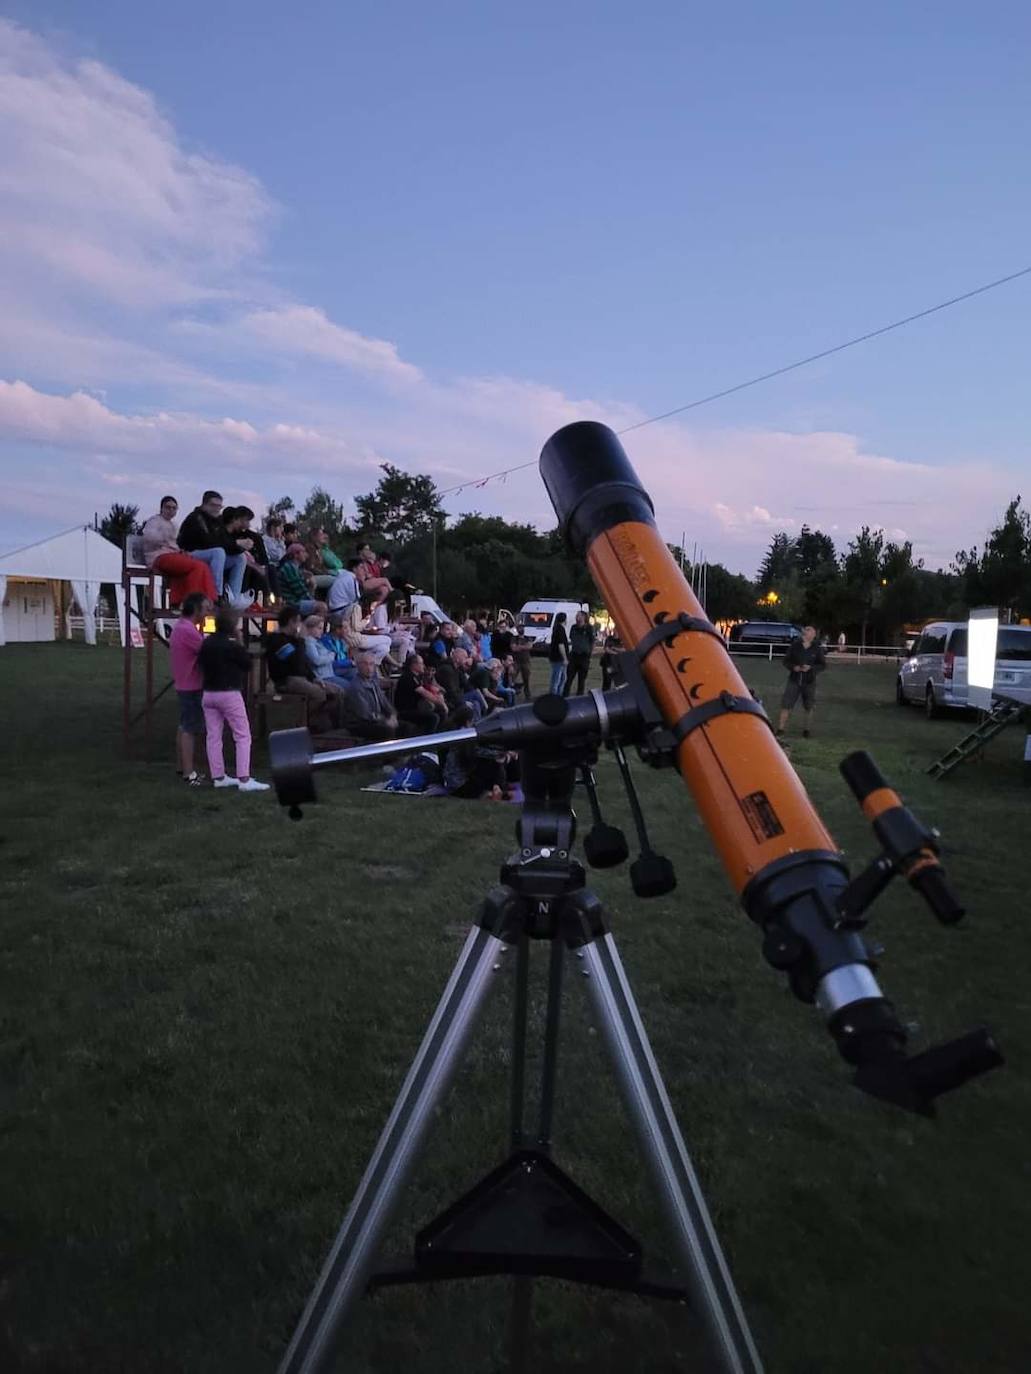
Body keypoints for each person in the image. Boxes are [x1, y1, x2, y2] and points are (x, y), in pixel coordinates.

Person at [197, 607, 269, 791]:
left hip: (208, 693)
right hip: (229, 692)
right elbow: (247, 664)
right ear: (232, 626)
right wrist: (240, 641)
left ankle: (218, 776)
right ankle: (244, 778)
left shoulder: (206, 643)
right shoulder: (232, 646)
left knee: (213, 736)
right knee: (243, 735)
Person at [140, 497, 218, 607]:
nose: (171, 510)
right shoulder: (154, 521)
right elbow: (149, 537)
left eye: (174, 508)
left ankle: (207, 599)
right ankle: (193, 602)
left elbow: (175, 543)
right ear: (161, 508)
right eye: (168, 507)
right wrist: (166, 538)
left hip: (171, 555)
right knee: (197, 566)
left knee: (203, 566)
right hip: (159, 557)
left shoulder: (174, 524)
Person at [264, 605, 332, 729]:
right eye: (299, 621)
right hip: (287, 679)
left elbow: (304, 663)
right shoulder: (278, 641)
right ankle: (299, 723)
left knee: (336, 692)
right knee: (319, 695)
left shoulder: (294, 640)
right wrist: (301, 640)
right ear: (291, 622)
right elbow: (294, 662)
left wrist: (314, 678)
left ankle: (321, 725)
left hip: (302, 678)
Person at [177, 490, 250, 606]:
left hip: (210, 554)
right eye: (213, 505)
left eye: (219, 506)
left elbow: (224, 542)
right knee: (219, 552)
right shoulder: (196, 518)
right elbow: (210, 542)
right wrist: (235, 544)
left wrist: (239, 547)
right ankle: (216, 595)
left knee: (240, 558)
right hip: (190, 554)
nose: (217, 509)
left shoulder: (217, 521)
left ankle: (233, 598)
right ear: (204, 504)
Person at [168, 591, 211, 784]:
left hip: (183, 683)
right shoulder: (188, 630)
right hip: (192, 685)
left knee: (184, 725)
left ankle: (181, 767)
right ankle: (189, 773)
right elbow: (206, 651)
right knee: (190, 729)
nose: (207, 612)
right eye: (205, 609)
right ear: (196, 609)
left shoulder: (182, 627)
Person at [777, 625, 828, 740]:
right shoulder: (795, 646)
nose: (808, 633)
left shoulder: (816, 648)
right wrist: (793, 667)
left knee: (809, 707)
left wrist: (811, 668)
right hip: (794, 680)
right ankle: (780, 729)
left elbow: (823, 665)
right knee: (786, 705)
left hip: (809, 682)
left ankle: (807, 730)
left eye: (811, 632)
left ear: (813, 635)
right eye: (807, 631)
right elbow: (786, 661)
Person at [342, 651, 406, 740]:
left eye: (371, 664)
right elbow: (365, 715)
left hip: (377, 720)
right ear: (358, 666)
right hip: (359, 724)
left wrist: (392, 715)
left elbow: (386, 704)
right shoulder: (355, 687)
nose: (369, 668)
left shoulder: (373, 683)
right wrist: (386, 721)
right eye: (365, 664)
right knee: (387, 730)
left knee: (406, 727)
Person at [301, 613, 349, 712]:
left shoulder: (316, 641)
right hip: (323, 676)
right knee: (348, 687)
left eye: (322, 628)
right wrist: (331, 656)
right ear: (310, 628)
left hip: (329, 673)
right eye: (319, 628)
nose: (321, 631)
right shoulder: (309, 642)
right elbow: (316, 660)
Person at [395, 653, 447, 732]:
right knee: (433, 717)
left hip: (416, 708)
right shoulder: (409, 677)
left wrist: (439, 695)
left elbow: (430, 688)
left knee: (441, 713)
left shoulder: (417, 677)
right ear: (414, 665)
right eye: (421, 663)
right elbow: (425, 693)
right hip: (406, 710)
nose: (424, 666)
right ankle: (426, 741)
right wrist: (441, 704)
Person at [277, 544, 325, 616]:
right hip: (290, 603)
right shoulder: (289, 568)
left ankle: (310, 626)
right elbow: (300, 592)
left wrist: (312, 586)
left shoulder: (297, 569)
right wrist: (313, 599)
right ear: (296, 555)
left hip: (297, 601)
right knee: (322, 607)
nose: (307, 555)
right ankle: (309, 626)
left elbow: (305, 593)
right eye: (304, 552)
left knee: (320, 605)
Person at [564, 611, 596, 697]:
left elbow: (592, 642)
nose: (577, 617)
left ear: (584, 617)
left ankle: (579, 696)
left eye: (579, 615)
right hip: (574, 655)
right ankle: (565, 695)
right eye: (576, 615)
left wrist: (590, 654)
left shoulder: (589, 628)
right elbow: (571, 638)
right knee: (569, 677)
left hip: (584, 656)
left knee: (581, 679)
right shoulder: (573, 627)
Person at [320, 613, 356, 681]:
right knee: (356, 673)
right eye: (345, 628)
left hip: (343, 669)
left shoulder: (342, 640)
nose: (348, 630)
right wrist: (350, 662)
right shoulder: (326, 641)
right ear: (337, 629)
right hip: (331, 671)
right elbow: (331, 663)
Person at [512, 620, 533, 701]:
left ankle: (527, 695)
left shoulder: (528, 638)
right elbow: (513, 648)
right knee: (513, 678)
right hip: (516, 661)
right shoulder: (514, 638)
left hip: (526, 662)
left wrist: (519, 647)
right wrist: (524, 646)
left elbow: (529, 646)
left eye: (522, 627)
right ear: (517, 629)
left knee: (526, 679)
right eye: (519, 627)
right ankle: (512, 693)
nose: (521, 629)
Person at [548, 612, 569, 695]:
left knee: (562, 678)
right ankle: (554, 695)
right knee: (557, 678)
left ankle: (558, 694)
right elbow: (561, 645)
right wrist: (565, 658)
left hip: (555, 657)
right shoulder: (560, 629)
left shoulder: (556, 628)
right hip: (558, 658)